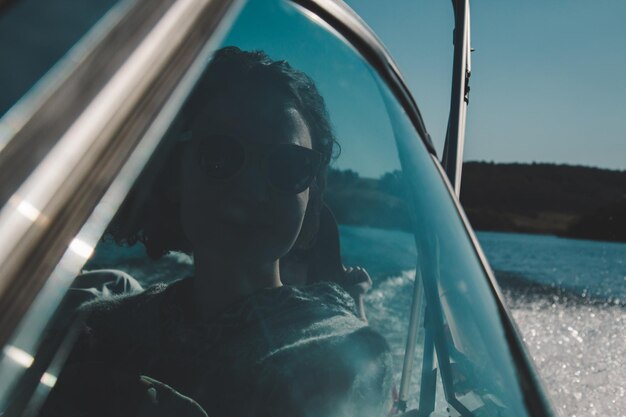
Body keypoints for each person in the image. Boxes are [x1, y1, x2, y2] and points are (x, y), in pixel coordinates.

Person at [41, 47, 391, 417]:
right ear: (175, 173)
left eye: (289, 167)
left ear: (311, 190)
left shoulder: (345, 362)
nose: (253, 193)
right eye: (220, 155)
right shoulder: (98, 329)